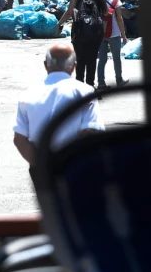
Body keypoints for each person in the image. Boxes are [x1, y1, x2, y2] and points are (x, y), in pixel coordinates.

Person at [13, 42, 104, 175]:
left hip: (41, 169)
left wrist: (42, 165)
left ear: (45, 65)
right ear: (74, 66)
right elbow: (92, 131)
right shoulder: (85, 91)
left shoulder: (27, 95)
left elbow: (19, 139)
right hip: (75, 168)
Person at [57, 0, 108, 87]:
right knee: (92, 59)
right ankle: (90, 87)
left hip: (79, 32)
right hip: (96, 33)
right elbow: (105, 13)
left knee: (80, 59)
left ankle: (79, 86)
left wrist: (59, 23)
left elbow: (70, 12)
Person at [97, 0, 129, 90]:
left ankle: (101, 83)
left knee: (102, 59)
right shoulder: (116, 1)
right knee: (116, 58)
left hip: (101, 34)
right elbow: (119, 19)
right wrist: (123, 35)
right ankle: (119, 80)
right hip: (114, 34)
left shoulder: (97, 1)